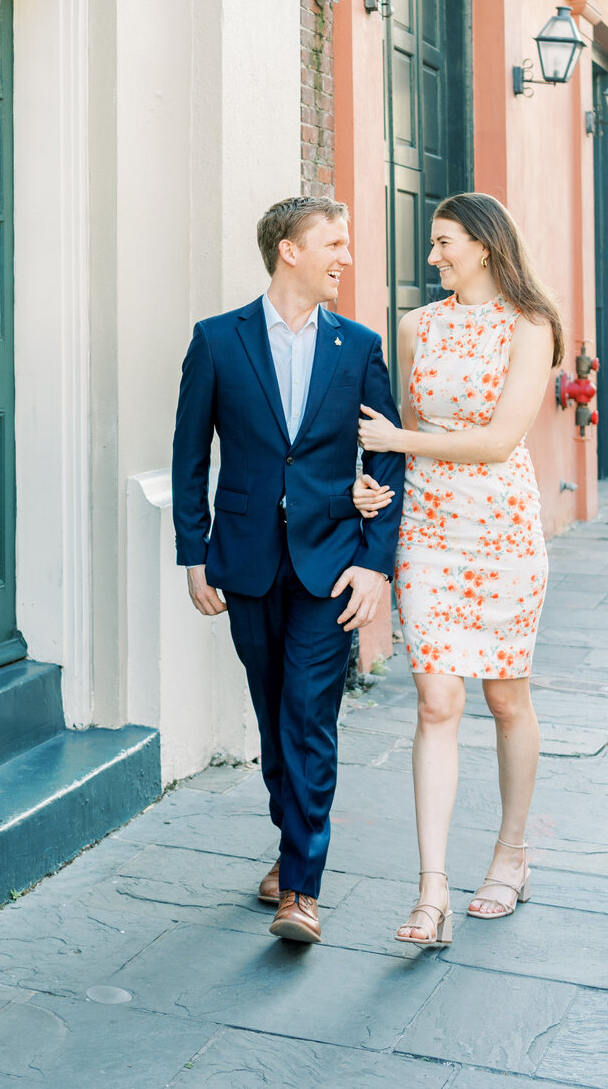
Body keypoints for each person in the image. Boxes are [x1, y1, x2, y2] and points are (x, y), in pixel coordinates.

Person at [172, 196, 405, 944]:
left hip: (331, 565)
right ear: (288, 251)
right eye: (332, 243)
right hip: (243, 562)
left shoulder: (359, 346)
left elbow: (388, 462)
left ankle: (301, 887)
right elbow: (189, 459)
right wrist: (192, 553)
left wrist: (375, 567)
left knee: (310, 716)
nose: (345, 257)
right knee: (274, 713)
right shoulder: (217, 341)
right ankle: (290, 839)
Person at [355, 192, 560, 947]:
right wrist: (375, 477)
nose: (434, 255)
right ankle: (431, 892)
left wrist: (398, 444)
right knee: (437, 702)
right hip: (428, 529)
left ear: (483, 244)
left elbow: (501, 440)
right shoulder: (417, 325)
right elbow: (397, 430)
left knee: (507, 700)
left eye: (445, 242)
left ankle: (511, 856)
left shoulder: (530, 325)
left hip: (502, 529)